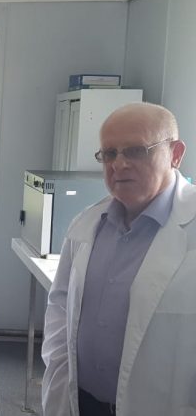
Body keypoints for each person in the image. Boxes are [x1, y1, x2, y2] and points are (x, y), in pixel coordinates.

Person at [42, 102, 196, 416]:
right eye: (109, 153)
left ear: (176, 154)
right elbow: (60, 307)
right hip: (81, 402)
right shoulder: (87, 224)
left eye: (137, 151)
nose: (119, 164)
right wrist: (58, 372)